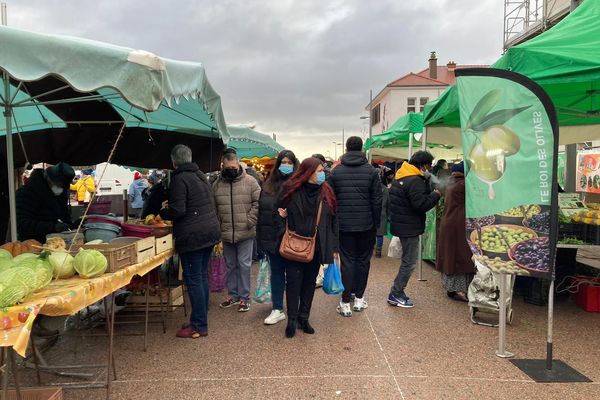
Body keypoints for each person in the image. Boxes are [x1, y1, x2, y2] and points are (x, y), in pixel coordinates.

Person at [160, 145, 221, 338]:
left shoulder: (179, 179)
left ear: (174, 161)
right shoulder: (200, 175)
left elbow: (178, 210)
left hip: (193, 236)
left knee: (194, 280)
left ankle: (199, 325)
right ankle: (200, 316)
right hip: (209, 231)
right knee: (201, 277)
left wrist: (163, 212)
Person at [276, 157, 338, 337]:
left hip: (317, 246)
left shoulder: (326, 192)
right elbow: (277, 214)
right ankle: (292, 320)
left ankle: (304, 317)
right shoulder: (291, 190)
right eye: (318, 171)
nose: (322, 174)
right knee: (294, 283)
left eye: (322, 170)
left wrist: (334, 246)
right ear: (307, 173)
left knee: (310, 283)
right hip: (294, 245)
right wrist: (283, 234)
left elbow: (334, 219)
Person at [328, 136, 382, 317]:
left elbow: (331, 201)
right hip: (367, 224)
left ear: (346, 148)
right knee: (363, 261)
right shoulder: (372, 172)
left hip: (344, 225)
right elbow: (377, 200)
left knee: (348, 261)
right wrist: (376, 223)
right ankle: (359, 298)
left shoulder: (336, 172)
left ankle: (345, 302)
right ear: (361, 149)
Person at [388, 151, 441, 308]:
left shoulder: (401, 175)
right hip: (409, 226)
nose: (429, 169)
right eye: (429, 165)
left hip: (402, 224)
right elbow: (421, 205)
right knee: (409, 262)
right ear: (422, 165)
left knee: (407, 260)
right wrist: (436, 194)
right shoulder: (415, 181)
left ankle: (397, 292)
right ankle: (396, 293)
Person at [213, 150, 261, 312]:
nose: (231, 169)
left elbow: (258, 203)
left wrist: (250, 220)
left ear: (238, 163)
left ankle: (245, 297)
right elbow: (214, 207)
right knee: (230, 265)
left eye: (233, 166)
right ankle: (233, 295)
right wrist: (219, 225)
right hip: (226, 232)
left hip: (245, 232)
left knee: (244, 264)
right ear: (222, 166)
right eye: (228, 167)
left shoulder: (250, 182)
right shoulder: (217, 184)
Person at [257, 150, 299, 325]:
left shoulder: (299, 184)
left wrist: (290, 214)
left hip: (293, 237)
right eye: (284, 161)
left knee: (294, 275)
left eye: (290, 162)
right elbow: (262, 213)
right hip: (271, 237)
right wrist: (261, 240)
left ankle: (295, 309)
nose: (286, 165)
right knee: (277, 274)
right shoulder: (268, 185)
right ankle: (277, 308)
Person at [435, 162, 474, 302]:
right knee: (460, 257)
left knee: (451, 256)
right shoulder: (464, 185)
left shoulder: (451, 183)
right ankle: (458, 290)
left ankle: (451, 288)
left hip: (449, 223)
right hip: (458, 225)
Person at [16, 162, 75, 243]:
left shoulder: (61, 193)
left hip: (57, 243)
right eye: (60, 185)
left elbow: (64, 217)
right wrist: (52, 227)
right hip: (33, 244)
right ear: (48, 179)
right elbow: (22, 224)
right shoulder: (27, 193)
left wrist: (72, 225)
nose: (62, 188)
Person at [375, 168, 394, 258]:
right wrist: (389, 216)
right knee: (380, 235)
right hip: (382, 214)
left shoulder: (371, 189)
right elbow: (388, 203)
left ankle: (372, 248)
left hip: (372, 214)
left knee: (372, 233)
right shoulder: (385, 189)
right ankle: (378, 250)